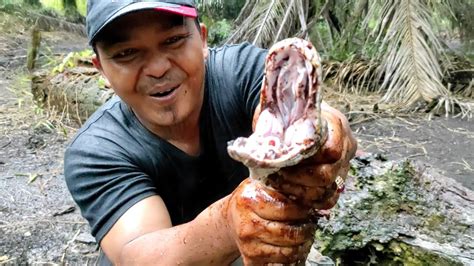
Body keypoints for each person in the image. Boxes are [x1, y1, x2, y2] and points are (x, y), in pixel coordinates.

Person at [64, 0, 357, 265]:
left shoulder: (241, 71)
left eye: (174, 40)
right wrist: (229, 221)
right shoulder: (96, 150)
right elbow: (140, 255)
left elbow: (314, 115)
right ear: (101, 68)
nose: (157, 68)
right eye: (126, 53)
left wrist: (329, 141)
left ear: (203, 40)